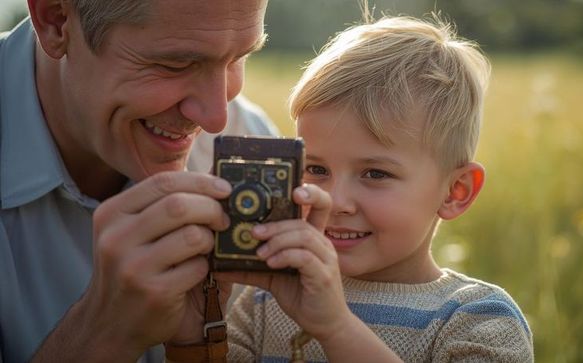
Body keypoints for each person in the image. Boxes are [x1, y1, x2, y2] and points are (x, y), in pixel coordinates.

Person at [217, 15, 535, 362]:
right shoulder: (263, 302)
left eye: (375, 174)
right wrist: (195, 329)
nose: (335, 201)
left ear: (455, 191)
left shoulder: (479, 320)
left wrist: (337, 328)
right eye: (316, 169)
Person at [0, 0, 276, 362]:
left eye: (238, 58)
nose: (215, 120)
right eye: (174, 64)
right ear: (56, 20)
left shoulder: (248, 145)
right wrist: (101, 333)